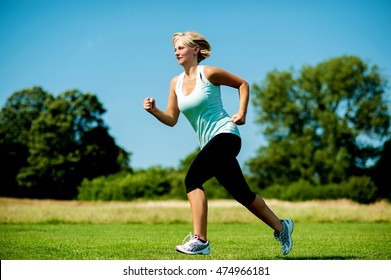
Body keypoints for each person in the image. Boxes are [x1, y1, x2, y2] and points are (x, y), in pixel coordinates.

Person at [143, 31, 293, 256]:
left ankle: (200, 240)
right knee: (243, 194)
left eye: (181, 47)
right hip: (208, 144)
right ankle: (282, 228)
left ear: (195, 50)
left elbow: (243, 84)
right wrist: (154, 111)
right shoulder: (176, 82)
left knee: (192, 179)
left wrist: (241, 112)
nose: (176, 52)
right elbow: (172, 120)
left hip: (226, 135)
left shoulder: (209, 73)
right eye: (175, 49)